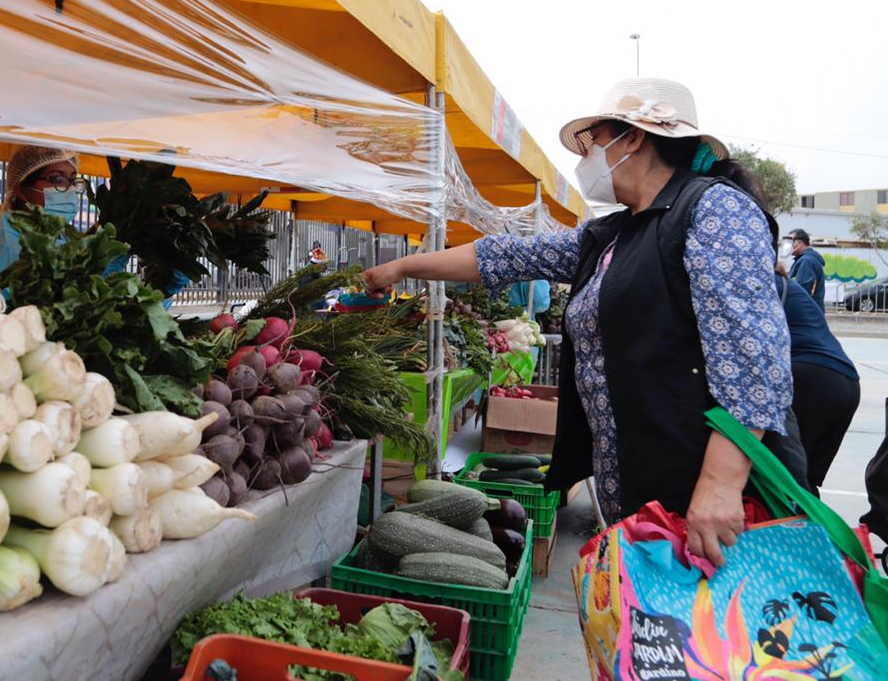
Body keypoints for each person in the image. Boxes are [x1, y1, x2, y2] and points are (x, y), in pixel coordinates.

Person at [362, 77, 797, 566]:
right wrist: (402, 267)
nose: (587, 157)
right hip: (636, 490)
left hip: (700, 498)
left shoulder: (714, 209)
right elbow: (503, 256)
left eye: (595, 141)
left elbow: (754, 357)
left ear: (633, 138)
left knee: (716, 637)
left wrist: (721, 485)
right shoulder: (613, 234)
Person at [774, 261, 861, 491]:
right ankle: (812, 527)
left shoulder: (761, 285)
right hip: (847, 383)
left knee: (785, 479)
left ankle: (791, 526)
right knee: (806, 483)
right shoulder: (787, 285)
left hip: (810, 378)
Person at [0, 145, 84, 272]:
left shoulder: (61, 234)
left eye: (72, 180)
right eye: (57, 179)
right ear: (21, 189)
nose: (69, 189)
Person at [785, 228, 827, 310]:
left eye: (790, 242)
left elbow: (802, 291)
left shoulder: (806, 261)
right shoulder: (805, 259)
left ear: (799, 243)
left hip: (807, 314)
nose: (788, 246)